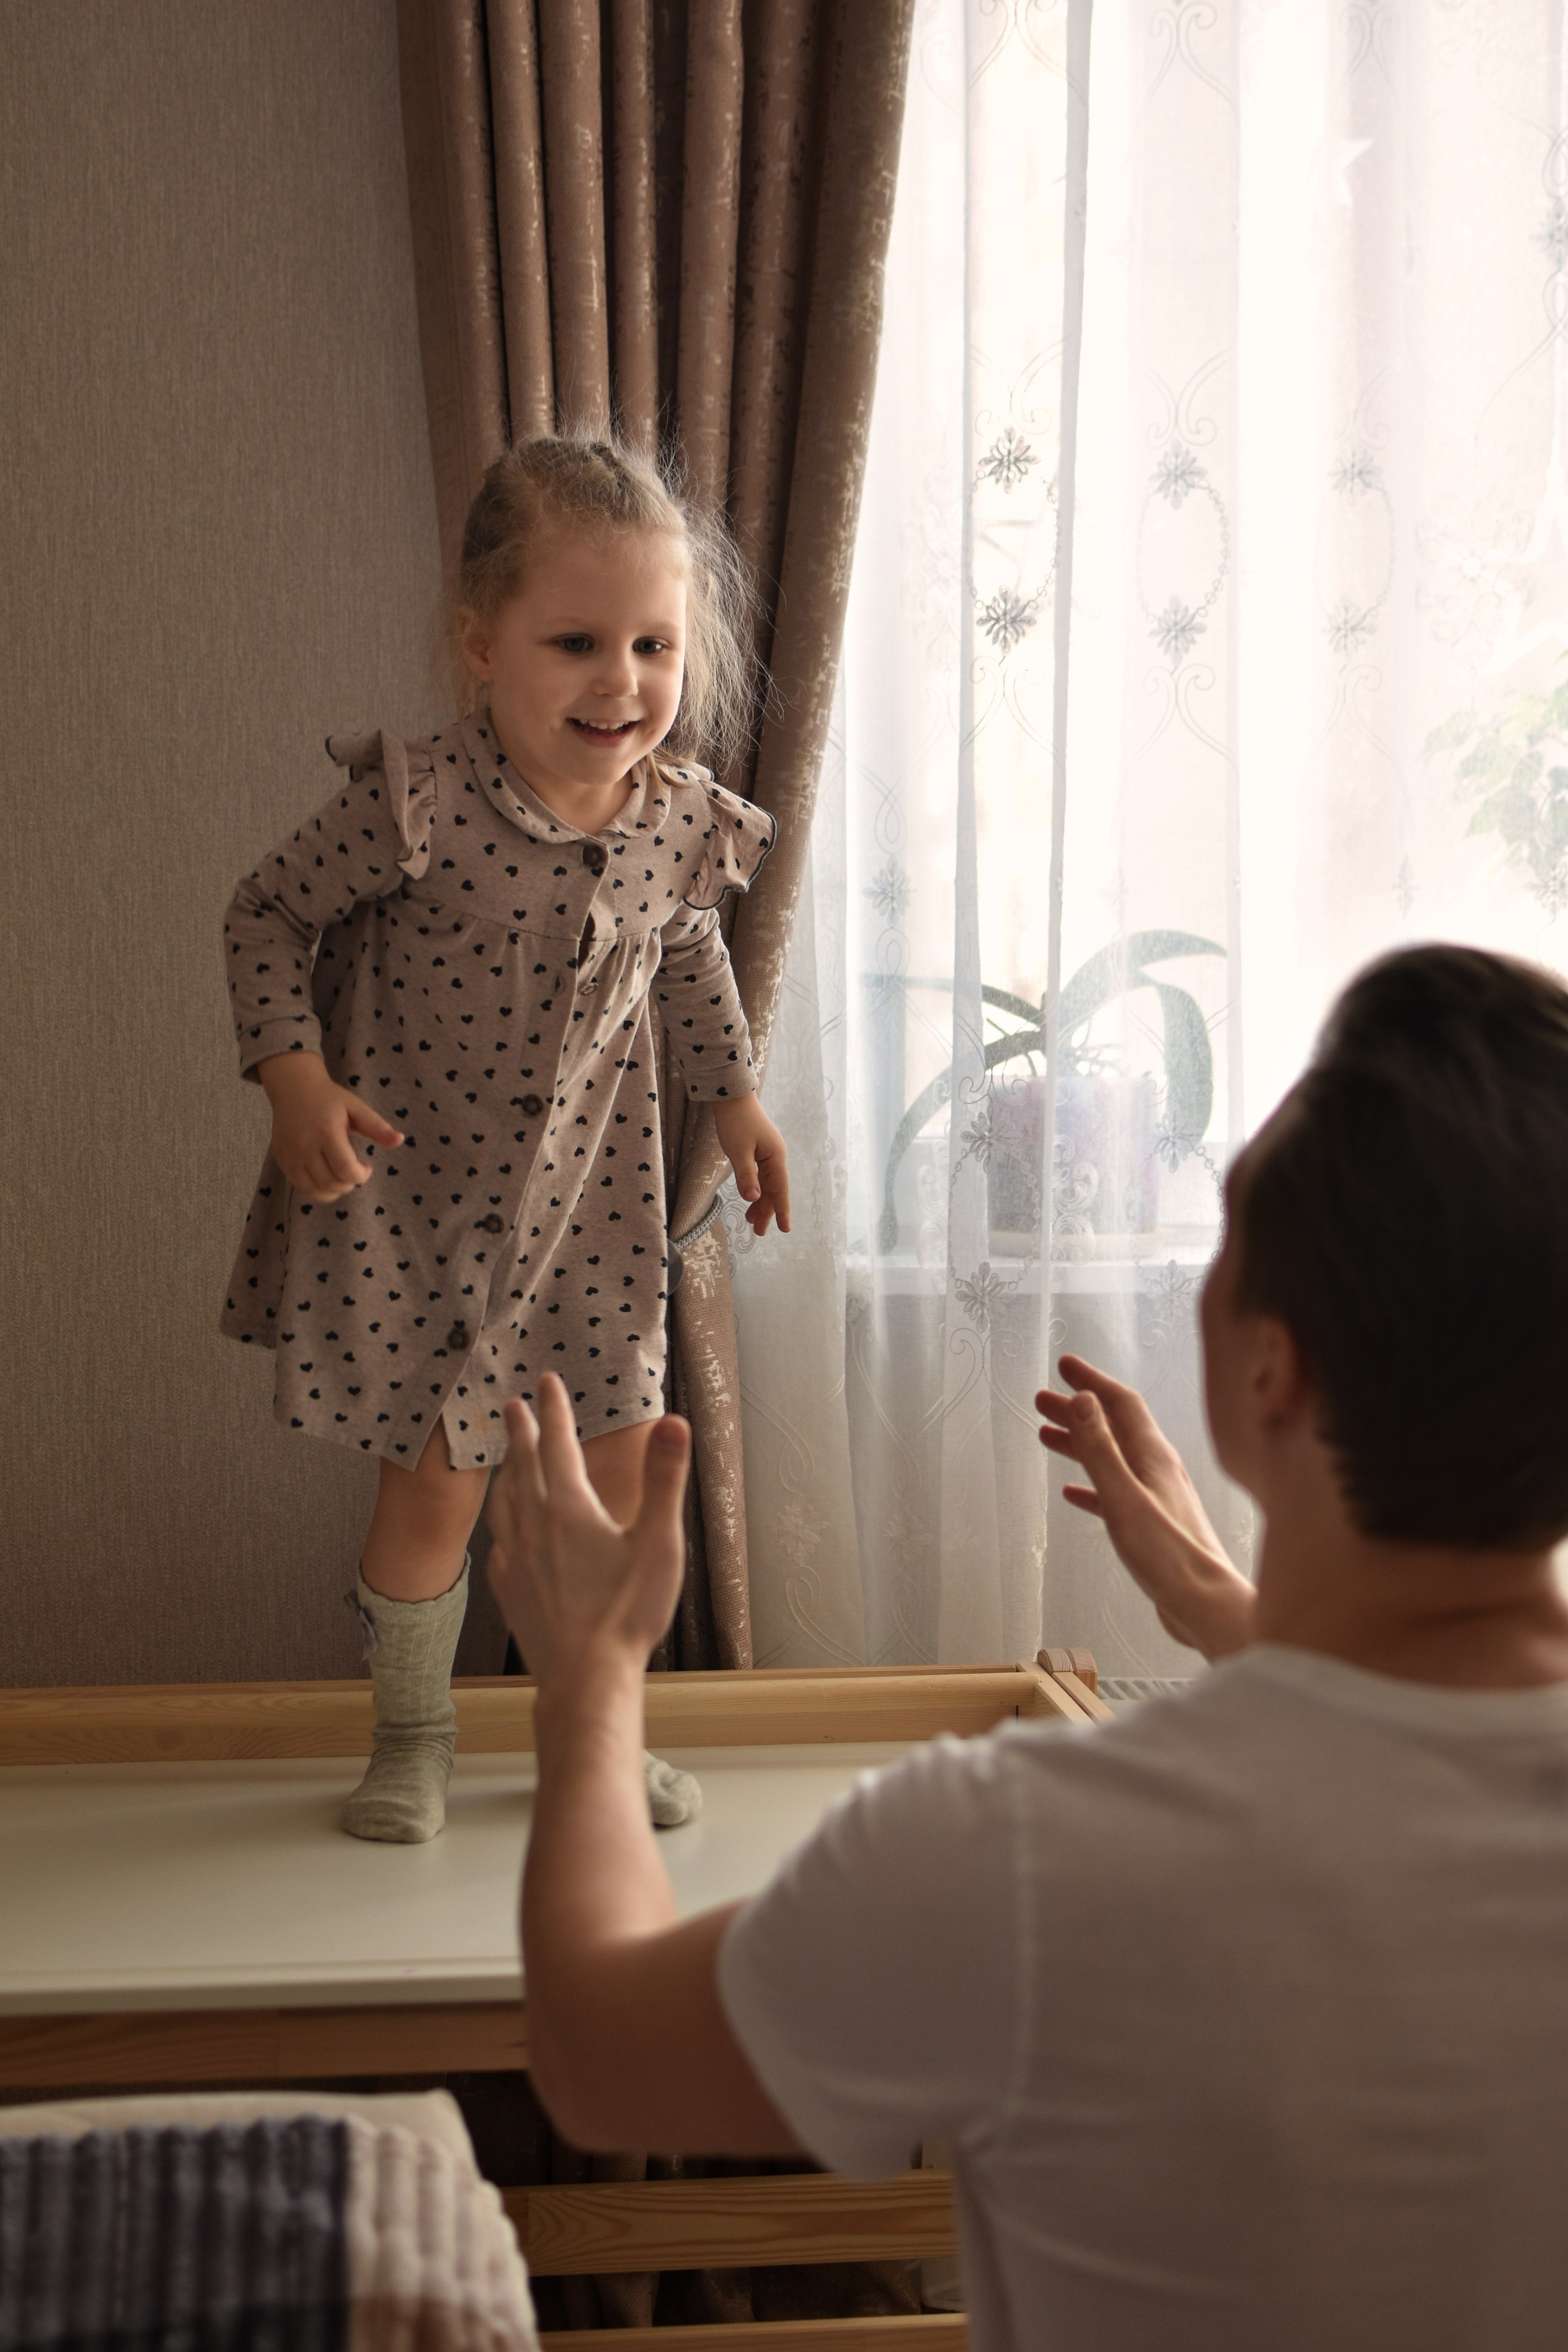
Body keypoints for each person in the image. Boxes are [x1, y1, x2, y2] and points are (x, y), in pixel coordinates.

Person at [485, 943, 1568, 2352]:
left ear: (1269, 1371)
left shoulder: (1029, 1855)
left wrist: (587, 1678)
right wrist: (1216, 1602)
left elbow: (600, 2058)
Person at [221, 434, 790, 1844]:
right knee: (434, 1492)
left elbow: (688, 956)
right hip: (418, 1216)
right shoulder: (415, 806)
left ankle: (594, 1731)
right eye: (576, 643)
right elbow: (265, 916)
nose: (620, 682)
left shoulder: (678, 824)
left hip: (594, 1219)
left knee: (614, 1485)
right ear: (482, 646)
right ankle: (412, 1737)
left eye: (653, 646)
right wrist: (293, 1078)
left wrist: (735, 1094)